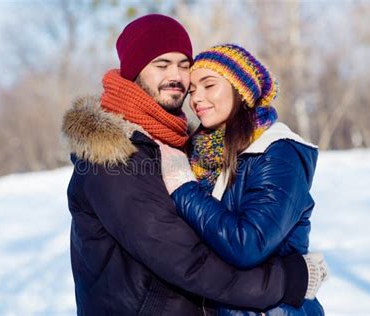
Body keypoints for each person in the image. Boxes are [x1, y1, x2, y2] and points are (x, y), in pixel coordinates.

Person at [62, 14, 327, 316]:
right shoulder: (114, 157)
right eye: (161, 65)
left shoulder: (179, 146)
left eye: (183, 65)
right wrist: (288, 279)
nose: (177, 77)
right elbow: (188, 260)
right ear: (135, 71)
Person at [158, 43, 326, 315]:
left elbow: (248, 244)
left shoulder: (277, 152)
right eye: (192, 90)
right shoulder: (203, 156)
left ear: (241, 89)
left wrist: (184, 187)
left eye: (209, 85)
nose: (196, 98)